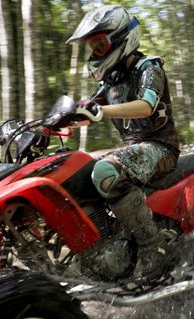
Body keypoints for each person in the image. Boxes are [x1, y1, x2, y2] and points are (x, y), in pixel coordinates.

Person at [67, 5, 180, 281]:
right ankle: (99, 247)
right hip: (133, 149)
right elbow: (88, 111)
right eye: (92, 46)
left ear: (121, 37)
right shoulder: (111, 79)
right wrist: (57, 123)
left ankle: (154, 244)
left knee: (106, 171)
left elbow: (146, 106)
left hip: (160, 147)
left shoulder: (148, 67)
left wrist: (101, 111)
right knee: (74, 169)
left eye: (100, 44)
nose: (96, 52)